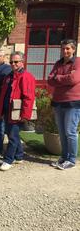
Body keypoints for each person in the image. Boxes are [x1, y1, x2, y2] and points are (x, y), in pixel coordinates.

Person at [0, 51, 36, 171]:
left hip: (17, 113)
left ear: (22, 62)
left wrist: (25, 115)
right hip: (7, 111)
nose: (13, 64)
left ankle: (8, 160)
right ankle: (19, 156)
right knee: (12, 134)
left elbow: (29, 97)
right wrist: (1, 110)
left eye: (16, 61)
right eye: (11, 62)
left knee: (12, 137)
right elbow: (4, 94)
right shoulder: (9, 76)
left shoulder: (26, 76)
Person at [48, 39, 80, 170]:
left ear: (73, 49)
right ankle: (63, 157)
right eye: (63, 49)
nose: (65, 51)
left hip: (73, 103)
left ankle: (71, 160)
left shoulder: (78, 62)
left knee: (70, 132)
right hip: (58, 102)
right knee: (62, 132)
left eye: (67, 48)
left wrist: (58, 78)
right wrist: (65, 77)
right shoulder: (58, 63)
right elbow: (50, 79)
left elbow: (74, 79)